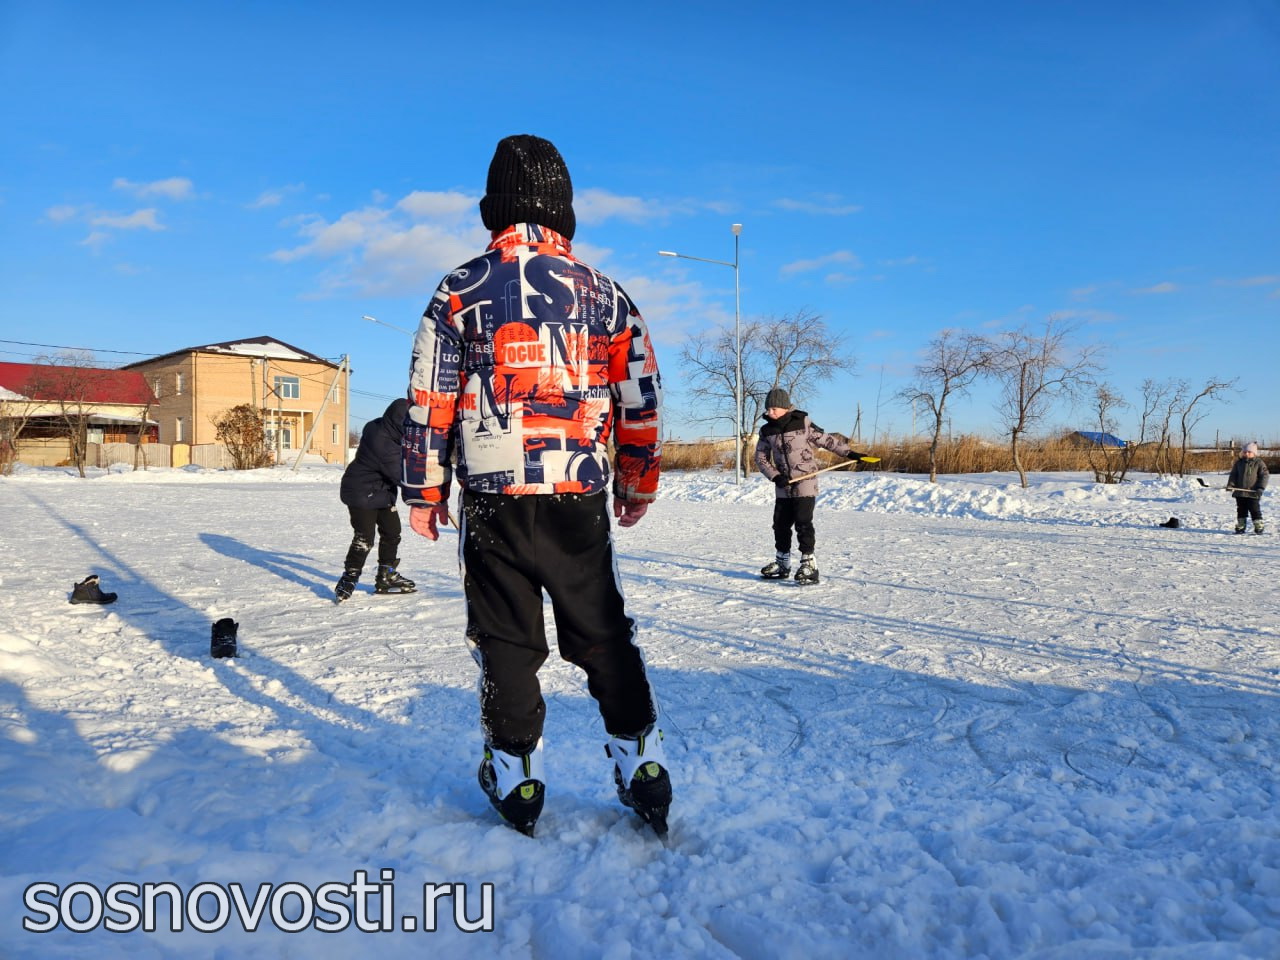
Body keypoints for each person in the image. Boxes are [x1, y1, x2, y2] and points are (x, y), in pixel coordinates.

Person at [401, 134, 669, 837]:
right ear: (564, 213)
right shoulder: (606, 294)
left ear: (493, 210)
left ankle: (517, 774)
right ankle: (642, 760)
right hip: (577, 495)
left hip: (495, 499)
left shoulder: (459, 289)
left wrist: (424, 489)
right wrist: (636, 480)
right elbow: (640, 395)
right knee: (603, 630)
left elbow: (431, 397)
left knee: (506, 638)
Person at [754, 387, 869, 584]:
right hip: (783, 484)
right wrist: (775, 476)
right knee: (780, 524)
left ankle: (809, 565)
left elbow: (827, 440)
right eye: (768, 409)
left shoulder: (802, 422)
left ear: (785, 407)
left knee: (803, 522)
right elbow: (761, 458)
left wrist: (849, 453)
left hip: (805, 481)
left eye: (774, 408)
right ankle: (782, 563)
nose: (770, 412)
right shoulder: (766, 431)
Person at [335, 399, 417, 601]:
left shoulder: (382, 427)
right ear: (400, 421)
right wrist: (427, 495)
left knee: (392, 531)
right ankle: (349, 577)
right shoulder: (384, 444)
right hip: (361, 492)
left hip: (381, 492)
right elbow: (401, 477)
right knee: (365, 537)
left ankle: (386, 575)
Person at [1228, 441, 1268, 534]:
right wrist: (1231, 485)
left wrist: (1260, 488)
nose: (1246, 453)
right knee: (1241, 509)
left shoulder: (1259, 463)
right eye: (1245, 452)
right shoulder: (1239, 463)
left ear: (1254, 453)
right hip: (1240, 492)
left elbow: (1264, 476)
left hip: (1253, 492)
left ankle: (1258, 524)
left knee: (1254, 509)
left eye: (1249, 452)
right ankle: (1241, 525)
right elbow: (1233, 475)